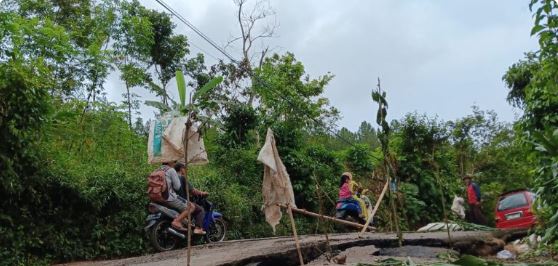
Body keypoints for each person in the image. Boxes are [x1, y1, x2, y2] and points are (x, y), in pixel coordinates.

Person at [160, 161, 205, 234]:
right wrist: (203, 193)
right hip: (171, 198)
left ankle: (185, 224)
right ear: (181, 169)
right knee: (194, 207)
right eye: (174, 161)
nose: (174, 163)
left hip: (160, 197)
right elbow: (179, 188)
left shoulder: (159, 170)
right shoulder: (174, 172)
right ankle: (195, 227)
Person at [174, 162, 207, 235]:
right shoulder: (182, 178)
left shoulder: (173, 177)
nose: (186, 170)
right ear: (181, 169)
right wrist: (202, 193)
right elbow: (193, 191)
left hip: (173, 200)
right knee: (200, 210)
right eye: (185, 168)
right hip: (182, 201)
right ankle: (198, 228)